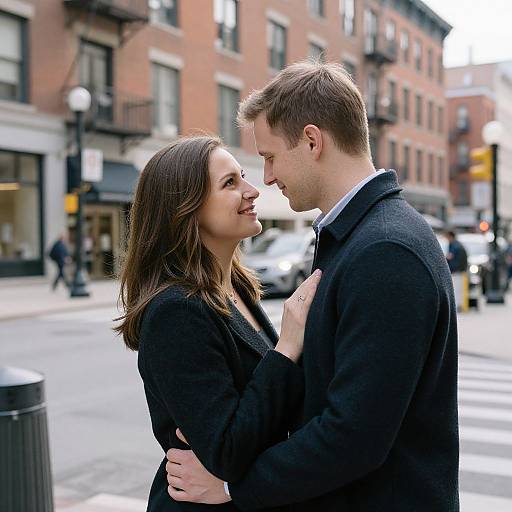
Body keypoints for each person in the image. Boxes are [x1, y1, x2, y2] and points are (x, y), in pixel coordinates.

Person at [165, 62, 459, 511]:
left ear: (312, 140)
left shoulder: (385, 249)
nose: (264, 178)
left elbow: (354, 435)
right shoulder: (356, 235)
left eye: (268, 156)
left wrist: (231, 486)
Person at [114, 135, 322, 511]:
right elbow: (226, 450)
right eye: (230, 183)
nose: (252, 190)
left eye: (242, 176)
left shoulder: (238, 288)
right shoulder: (175, 312)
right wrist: (287, 348)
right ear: (186, 209)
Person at [446, 230, 468, 310]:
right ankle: (458, 305)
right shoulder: (457, 245)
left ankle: (457, 305)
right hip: (458, 270)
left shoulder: (455, 246)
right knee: (458, 288)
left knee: (456, 288)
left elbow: (451, 257)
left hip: (455, 270)